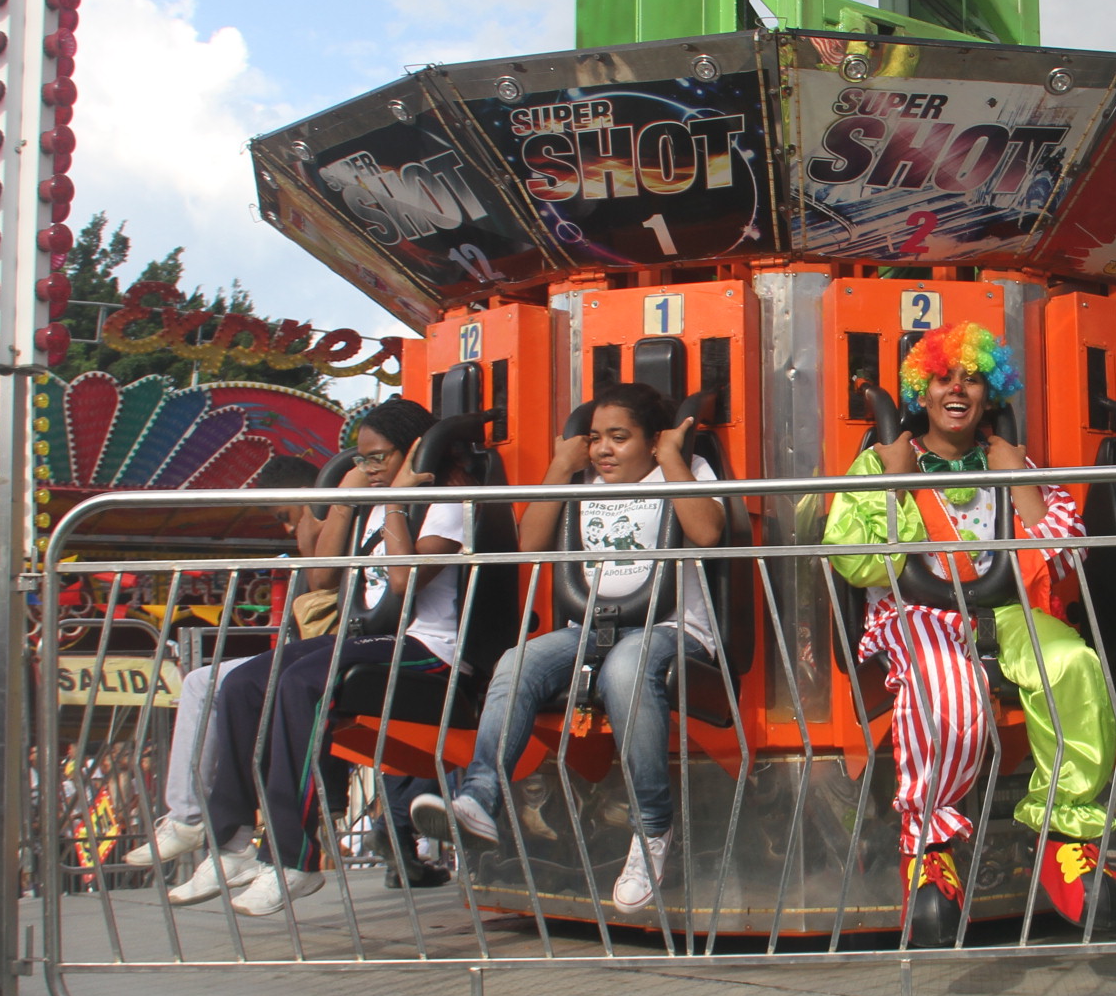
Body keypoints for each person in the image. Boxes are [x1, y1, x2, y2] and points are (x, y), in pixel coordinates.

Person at [821, 320, 1116, 945]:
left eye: (973, 378)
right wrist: (893, 480)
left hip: (1007, 612)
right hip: (918, 615)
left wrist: (1020, 482)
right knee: (946, 691)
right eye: (941, 377)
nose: (957, 388)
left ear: (992, 393)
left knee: (1074, 667)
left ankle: (1067, 837)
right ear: (920, 391)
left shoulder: (1013, 464)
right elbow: (853, 556)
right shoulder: (881, 462)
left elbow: (1062, 553)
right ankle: (929, 852)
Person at [410, 382, 724, 915]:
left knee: (626, 669)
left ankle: (651, 830)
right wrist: (559, 468)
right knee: (519, 662)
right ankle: (479, 798)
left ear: (652, 441)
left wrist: (673, 459)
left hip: (671, 627)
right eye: (596, 438)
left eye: (619, 438)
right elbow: (528, 545)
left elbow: (708, 532)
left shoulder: (685, 470)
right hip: (590, 627)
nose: (603, 449)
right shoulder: (582, 479)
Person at [190, 399, 472, 916]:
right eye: (360, 460)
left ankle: (293, 858)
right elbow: (321, 580)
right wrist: (346, 501)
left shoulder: (445, 502)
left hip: (429, 648)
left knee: (302, 685)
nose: (367, 470)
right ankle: (227, 840)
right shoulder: (371, 501)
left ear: (411, 451)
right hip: (372, 635)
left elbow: (406, 582)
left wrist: (397, 501)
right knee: (244, 683)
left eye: (376, 458)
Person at [120, 456, 325, 903]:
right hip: (315, 654)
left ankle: (267, 850)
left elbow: (324, 573)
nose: (289, 531)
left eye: (287, 516)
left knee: (250, 688)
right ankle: (200, 825)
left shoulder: (335, 522)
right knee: (201, 683)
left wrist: (318, 517)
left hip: (340, 656)